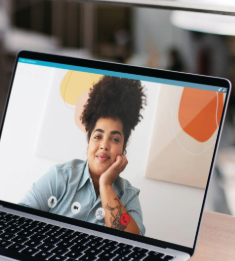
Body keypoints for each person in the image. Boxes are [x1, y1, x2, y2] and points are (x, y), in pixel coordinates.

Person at [20, 76, 147, 235]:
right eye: (97, 136)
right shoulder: (61, 176)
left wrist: (106, 184)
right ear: (88, 143)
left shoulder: (128, 195)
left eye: (114, 139)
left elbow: (133, 244)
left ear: (123, 148)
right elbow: (19, 218)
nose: (104, 145)